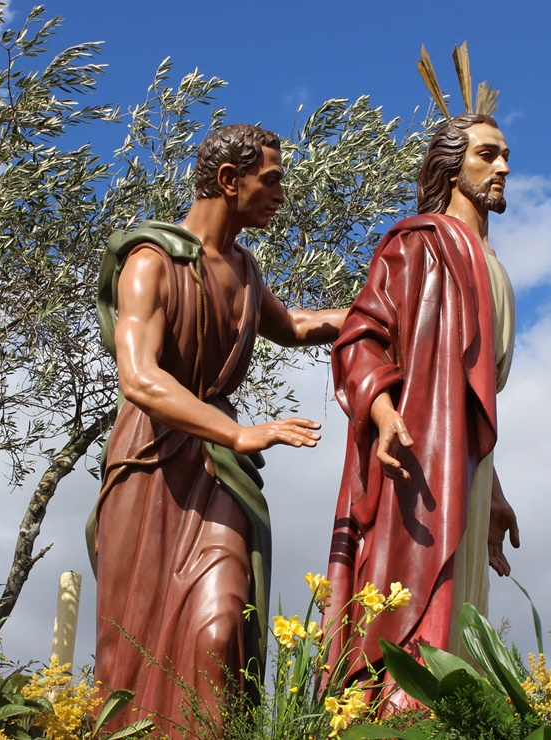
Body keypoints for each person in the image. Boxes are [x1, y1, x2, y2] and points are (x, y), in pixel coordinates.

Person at [89, 123, 346, 736]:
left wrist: (383, 309)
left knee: (223, 625)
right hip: (150, 463)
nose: (282, 194)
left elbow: (300, 326)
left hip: (216, 474)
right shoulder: (149, 261)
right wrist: (238, 433)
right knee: (129, 649)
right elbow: (141, 379)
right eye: (273, 180)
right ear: (230, 181)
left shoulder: (245, 269)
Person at [325, 114, 520, 696]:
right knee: (413, 603)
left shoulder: (496, 271)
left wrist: (493, 490)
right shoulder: (419, 242)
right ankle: (393, 718)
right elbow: (362, 335)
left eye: (507, 155)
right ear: (452, 164)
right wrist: (383, 414)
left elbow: (471, 401)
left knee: (462, 621)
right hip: (415, 455)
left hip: (464, 468)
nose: (504, 167)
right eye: (488, 154)